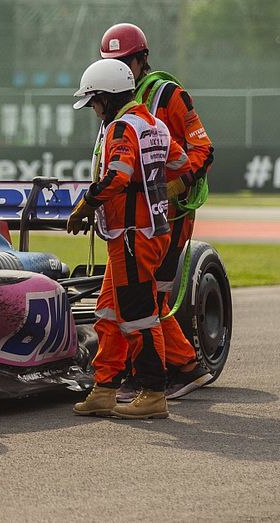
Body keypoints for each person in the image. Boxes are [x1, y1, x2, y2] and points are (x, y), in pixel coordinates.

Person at [99, 23, 215, 401]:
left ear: (141, 60)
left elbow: (203, 149)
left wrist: (174, 186)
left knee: (145, 298)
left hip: (168, 214)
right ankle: (181, 366)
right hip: (133, 219)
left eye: (123, 61)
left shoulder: (169, 94)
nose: (118, 68)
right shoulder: (115, 102)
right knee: (128, 298)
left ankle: (155, 374)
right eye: (111, 62)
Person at [67, 59, 189, 420]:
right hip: (144, 233)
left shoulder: (122, 128)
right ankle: (105, 388)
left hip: (134, 236)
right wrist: (157, 193)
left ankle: (153, 393)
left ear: (106, 97)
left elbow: (118, 176)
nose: (94, 109)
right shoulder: (155, 125)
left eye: (94, 102)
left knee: (138, 316)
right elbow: (183, 169)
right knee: (107, 310)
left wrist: (86, 205)